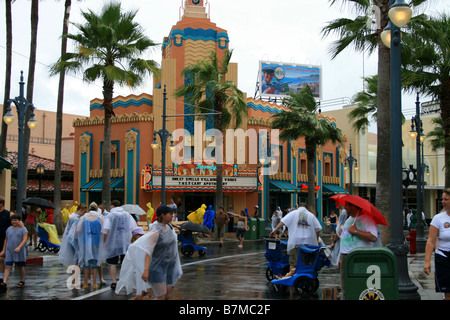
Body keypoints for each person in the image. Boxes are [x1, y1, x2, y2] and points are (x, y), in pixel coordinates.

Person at [338, 201, 379, 300]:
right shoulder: (349, 220)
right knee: (345, 287)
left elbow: (373, 237)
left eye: (347, 205)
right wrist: (340, 256)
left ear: (353, 206)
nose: (344, 207)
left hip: (358, 257)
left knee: (359, 286)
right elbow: (344, 238)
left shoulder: (367, 219)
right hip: (345, 256)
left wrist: (356, 231)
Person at [269, 204, 322, 278]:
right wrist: (315, 241)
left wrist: (275, 230)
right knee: (306, 263)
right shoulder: (311, 215)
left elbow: (283, 222)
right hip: (308, 245)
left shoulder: (293, 213)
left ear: (299, 207)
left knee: (293, 263)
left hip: (295, 242)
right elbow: (318, 228)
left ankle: (291, 278)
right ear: (306, 208)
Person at [141, 205, 182, 299]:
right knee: (161, 296)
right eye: (170, 214)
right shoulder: (155, 230)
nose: (173, 215)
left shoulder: (169, 226)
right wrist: (146, 270)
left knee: (167, 296)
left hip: (171, 266)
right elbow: (148, 250)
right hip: (158, 267)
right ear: (162, 215)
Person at [102, 199, 137, 290]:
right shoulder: (127, 215)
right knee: (125, 263)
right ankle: (124, 280)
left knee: (112, 263)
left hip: (113, 242)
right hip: (125, 242)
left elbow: (106, 230)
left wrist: (104, 242)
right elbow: (134, 227)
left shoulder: (110, 216)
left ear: (112, 206)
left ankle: (114, 282)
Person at [424, 188, 450, 300]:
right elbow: (431, 240)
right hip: (443, 257)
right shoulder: (438, 219)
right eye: (442, 199)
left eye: (446, 199)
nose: (443, 201)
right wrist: (427, 262)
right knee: (448, 291)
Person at [77, 202, 104, 289]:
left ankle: (85, 283)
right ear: (96, 209)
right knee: (95, 262)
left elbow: (78, 229)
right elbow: (104, 229)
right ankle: (95, 283)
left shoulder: (83, 217)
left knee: (86, 263)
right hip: (96, 242)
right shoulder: (100, 217)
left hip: (85, 243)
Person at [0, 214, 28, 289]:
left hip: (19, 251)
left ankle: (22, 280)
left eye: (16, 220)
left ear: (19, 221)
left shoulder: (23, 229)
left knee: (20, 266)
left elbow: (25, 239)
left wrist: (19, 247)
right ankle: (4, 282)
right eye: (12, 220)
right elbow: (6, 239)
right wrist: (3, 250)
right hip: (9, 250)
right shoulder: (9, 229)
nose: (14, 222)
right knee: (7, 266)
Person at [0, 197, 12, 288]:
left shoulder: (8, 214)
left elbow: (19, 223)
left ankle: (2, 277)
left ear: (1, 204)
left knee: (2, 258)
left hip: (5, 239)